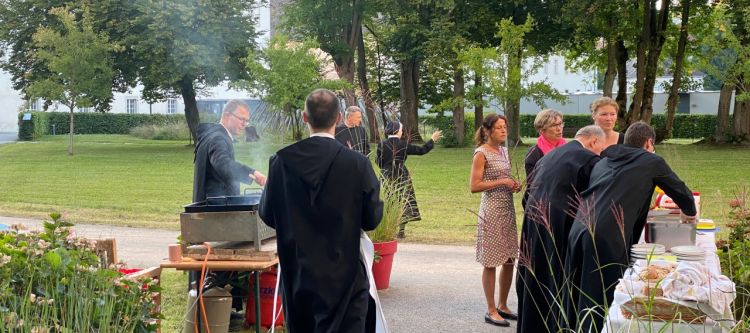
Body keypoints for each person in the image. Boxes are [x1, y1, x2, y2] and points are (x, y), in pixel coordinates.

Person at [259, 89, 384, 333]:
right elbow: (371, 219)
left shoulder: (281, 162)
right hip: (344, 276)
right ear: (339, 118)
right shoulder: (357, 164)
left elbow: (267, 215)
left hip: (299, 274)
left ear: (305, 118)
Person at [563, 122, 697, 332]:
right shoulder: (651, 161)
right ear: (649, 142)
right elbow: (679, 190)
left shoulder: (605, 159)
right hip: (606, 236)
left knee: (576, 292)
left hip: (579, 229)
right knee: (603, 298)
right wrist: (689, 211)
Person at [515, 125, 605, 333]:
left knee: (534, 277)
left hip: (533, 221)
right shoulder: (588, 159)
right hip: (558, 224)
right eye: (600, 149)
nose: (600, 154)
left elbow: (529, 192)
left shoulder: (549, 155)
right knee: (554, 277)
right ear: (593, 142)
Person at [470, 113, 522, 328]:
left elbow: (505, 180)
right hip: (491, 210)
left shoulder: (503, 150)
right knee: (491, 261)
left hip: (507, 209)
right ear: (488, 130)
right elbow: (474, 186)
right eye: (499, 127)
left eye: (505, 127)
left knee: (510, 259)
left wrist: (513, 184)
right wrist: (502, 181)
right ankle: (491, 309)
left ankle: (503, 305)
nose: (503, 131)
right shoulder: (481, 153)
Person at [192, 99, 267, 203]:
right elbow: (223, 163)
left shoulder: (212, 135)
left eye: (246, 121)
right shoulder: (218, 138)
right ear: (227, 115)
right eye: (242, 119)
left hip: (210, 206)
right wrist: (252, 173)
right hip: (214, 210)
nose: (244, 124)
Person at [376, 121, 441, 238]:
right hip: (401, 174)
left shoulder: (381, 144)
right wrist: (432, 140)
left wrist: (386, 167)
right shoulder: (403, 144)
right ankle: (401, 230)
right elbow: (421, 151)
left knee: (387, 199)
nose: (402, 132)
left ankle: (387, 227)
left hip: (386, 174)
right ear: (396, 131)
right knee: (403, 200)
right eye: (401, 130)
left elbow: (378, 162)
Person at [523, 109, 565, 208]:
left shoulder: (569, 149)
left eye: (560, 124)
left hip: (565, 202)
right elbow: (535, 184)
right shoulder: (534, 153)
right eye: (554, 125)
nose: (559, 129)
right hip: (542, 204)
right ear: (541, 130)